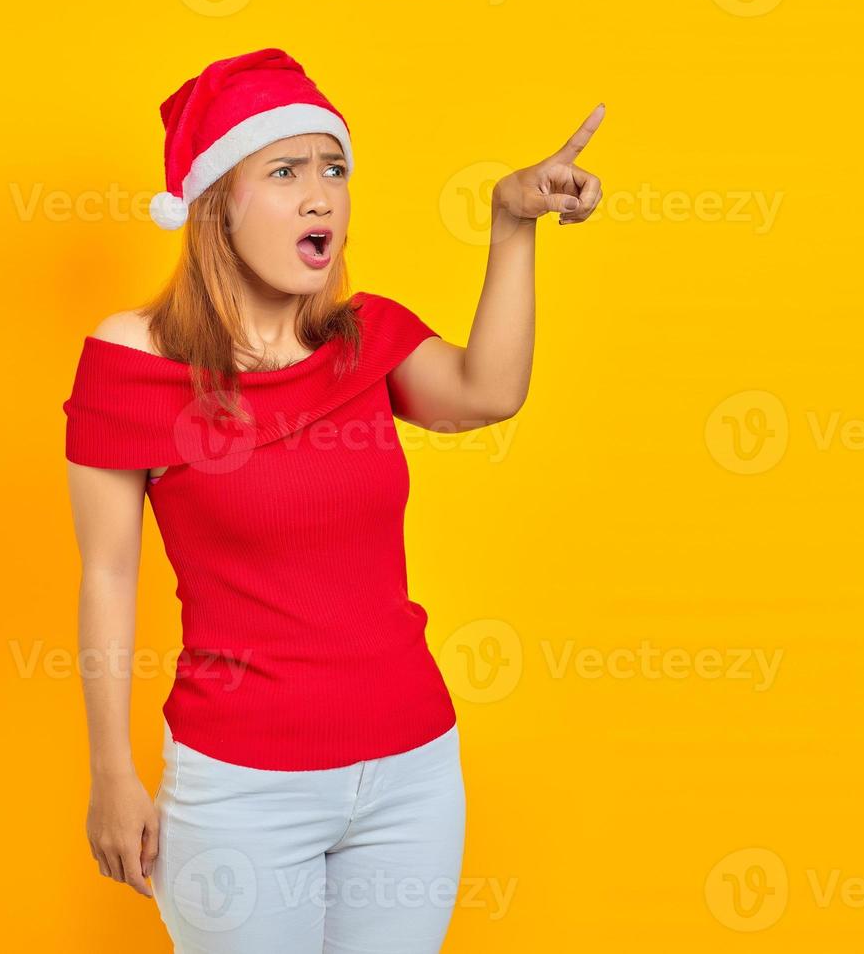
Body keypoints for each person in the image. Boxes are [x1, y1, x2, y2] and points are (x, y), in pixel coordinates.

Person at [61, 47, 604, 952]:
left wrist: (512, 225)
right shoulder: (136, 361)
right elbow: (109, 572)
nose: (322, 196)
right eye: (285, 172)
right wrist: (112, 771)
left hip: (411, 773)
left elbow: (487, 392)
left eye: (334, 169)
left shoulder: (366, 339)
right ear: (215, 205)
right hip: (242, 785)